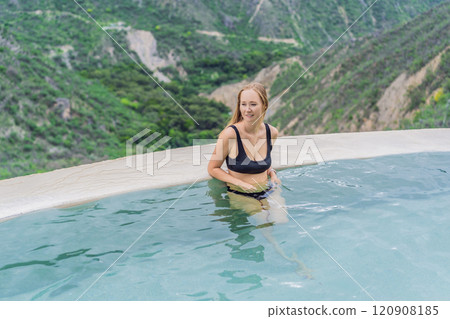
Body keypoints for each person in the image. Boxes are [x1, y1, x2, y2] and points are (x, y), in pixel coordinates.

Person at [207, 82, 312, 278]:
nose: (247, 109)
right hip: (241, 192)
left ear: (264, 105)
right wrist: (239, 183)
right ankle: (293, 262)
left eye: (253, 104)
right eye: (243, 104)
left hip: (268, 189)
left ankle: (292, 256)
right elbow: (212, 168)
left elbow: (262, 162)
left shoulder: (272, 132)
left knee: (281, 221)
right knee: (265, 225)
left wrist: (273, 174)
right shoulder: (231, 134)